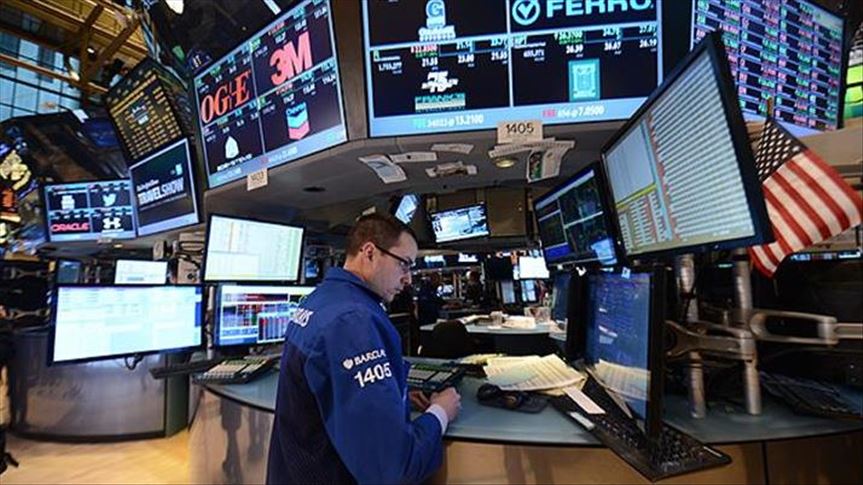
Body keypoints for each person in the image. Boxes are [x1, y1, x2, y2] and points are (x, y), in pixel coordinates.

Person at [266, 214, 461, 485]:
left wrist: (394, 396)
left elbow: (333, 391)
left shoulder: (319, 300)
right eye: (404, 264)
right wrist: (440, 412)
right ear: (369, 252)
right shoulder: (353, 320)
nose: (408, 279)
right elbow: (391, 466)